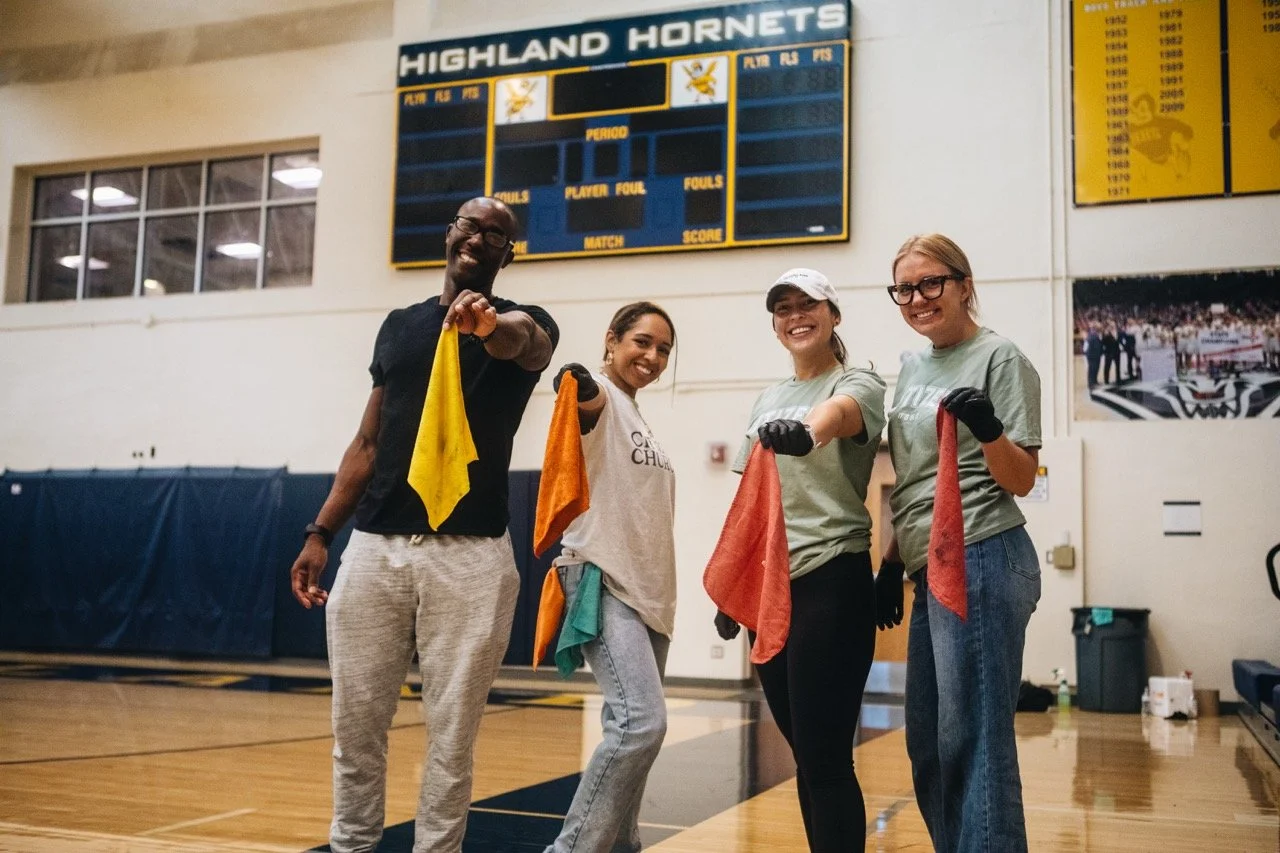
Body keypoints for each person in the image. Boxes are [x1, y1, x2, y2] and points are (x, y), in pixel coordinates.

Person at [288, 197, 558, 853]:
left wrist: (488, 324)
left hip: (471, 556)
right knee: (355, 722)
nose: (482, 236)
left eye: (498, 233)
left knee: (451, 731)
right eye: (472, 224)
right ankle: (352, 844)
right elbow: (367, 441)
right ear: (450, 235)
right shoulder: (399, 326)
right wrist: (321, 531)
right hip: (375, 548)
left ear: (507, 254)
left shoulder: (524, 323)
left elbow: (526, 340)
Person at [876, 234, 1042, 853]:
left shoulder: (1001, 358)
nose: (917, 298)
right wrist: (891, 561)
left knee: (973, 736)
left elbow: (1020, 478)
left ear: (964, 284)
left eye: (930, 283)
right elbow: (917, 477)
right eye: (904, 288)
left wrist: (990, 429)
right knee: (929, 740)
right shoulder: (914, 366)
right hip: (929, 564)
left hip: (984, 552)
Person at [714, 268, 886, 852]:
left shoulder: (857, 379)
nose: (795, 316)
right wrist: (732, 590)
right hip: (769, 589)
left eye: (807, 304)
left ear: (833, 315)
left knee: (827, 757)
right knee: (806, 758)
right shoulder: (767, 398)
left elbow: (835, 415)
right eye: (783, 308)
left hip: (831, 577)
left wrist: (805, 434)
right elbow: (749, 502)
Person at [543, 301, 678, 853]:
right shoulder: (601, 394)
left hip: (650, 596)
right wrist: (574, 379)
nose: (652, 355)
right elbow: (585, 400)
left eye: (663, 349)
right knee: (639, 726)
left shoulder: (639, 414)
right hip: (603, 577)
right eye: (642, 342)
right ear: (613, 340)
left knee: (632, 739)